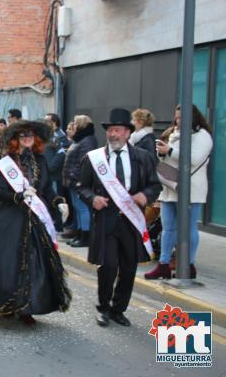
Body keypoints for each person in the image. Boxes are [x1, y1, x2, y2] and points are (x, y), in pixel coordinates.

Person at [0, 120, 71, 324]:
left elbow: (46, 189)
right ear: (15, 140)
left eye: (31, 135)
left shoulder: (40, 161)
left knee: (33, 263)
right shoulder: (7, 163)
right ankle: (6, 303)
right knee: (5, 261)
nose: (27, 138)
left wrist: (58, 202)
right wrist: (18, 196)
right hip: (9, 217)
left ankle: (27, 307)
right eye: (23, 135)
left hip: (33, 219)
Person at [77, 108, 161, 327]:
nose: (113, 135)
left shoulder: (142, 158)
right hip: (106, 220)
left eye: (117, 130)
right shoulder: (94, 158)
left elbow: (155, 185)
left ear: (127, 133)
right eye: (110, 131)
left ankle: (118, 309)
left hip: (132, 221)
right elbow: (81, 186)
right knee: (108, 266)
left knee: (128, 267)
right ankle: (103, 308)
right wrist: (92, 198)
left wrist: (146, 195)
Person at [144, 104, 213, 280]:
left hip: (190, 188)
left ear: (193, 117)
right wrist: (161, 153)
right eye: (177, 117)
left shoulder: (202, 136)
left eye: (182, 117)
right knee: (168, 228)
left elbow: (195, 159)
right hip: (170, 186)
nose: (178, 121)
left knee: (189, 228)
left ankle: (188, 265)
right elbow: (169, 159)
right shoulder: (172, 133)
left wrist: (170, 150)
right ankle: (164, 264)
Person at [61, 115, 97, 247]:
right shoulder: (80, 139)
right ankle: (80, 233)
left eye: (75, 123)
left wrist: (73, 175)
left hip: (78, 180)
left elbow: (84, 161)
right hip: (72, 180)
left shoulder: (87, 140)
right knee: (77, 208)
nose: (73, 125)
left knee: (82, 208)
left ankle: (85, 236)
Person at [44, 113, 70, 232]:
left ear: (54, 122)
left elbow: (61, 156)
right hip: (47, 174)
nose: (45, 123)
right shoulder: (48, 135)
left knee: (57, 199)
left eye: (47, 121)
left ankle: (59, 225)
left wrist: (49, 168)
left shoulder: (60, 136)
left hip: (55, 174)